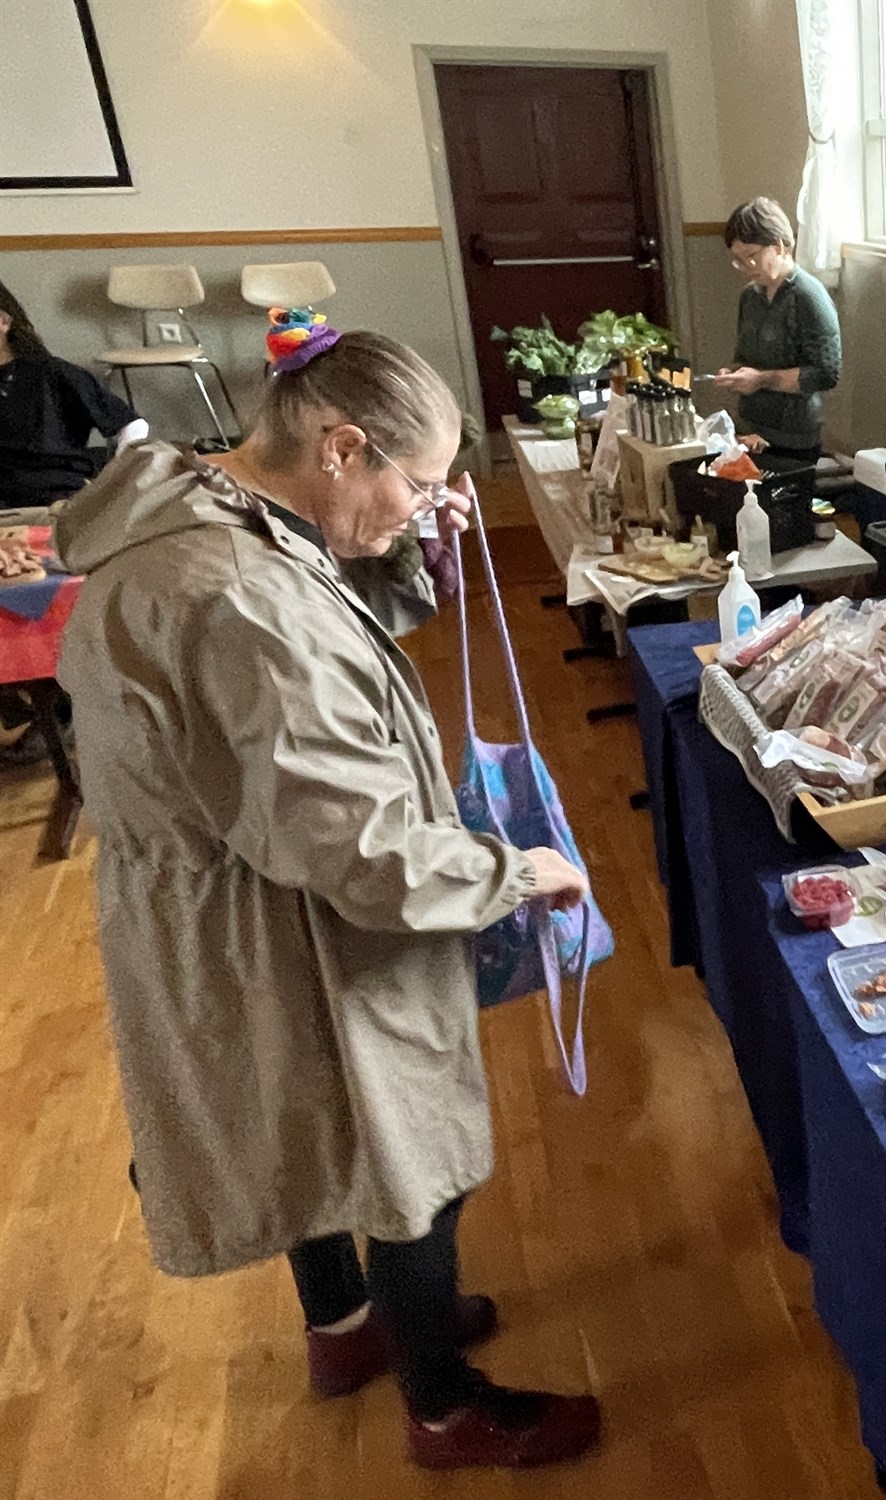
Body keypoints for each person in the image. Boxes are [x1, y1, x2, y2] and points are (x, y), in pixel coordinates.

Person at [55, 322, 603, 1471]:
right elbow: (361, 851)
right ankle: (443, 1407)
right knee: (405, 1152)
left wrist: (405, 547)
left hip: (225, 901)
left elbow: (326, 626)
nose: (426, 505)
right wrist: (515, 871)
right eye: (418, 484)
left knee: (301, 1126)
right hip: (285, 917)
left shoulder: (205, 505)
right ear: (343, 447)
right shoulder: (238, 597)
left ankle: (349, 1327)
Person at [710, 197, 841, 465]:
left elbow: (826, 374)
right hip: (750, 429)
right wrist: (734, 375)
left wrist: (762, 380)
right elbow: (744, 357)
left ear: (779, 246)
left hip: (794, 437)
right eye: (738, 260)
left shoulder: (808, 296)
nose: (745, 268)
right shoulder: (750, 296)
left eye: (751, 257)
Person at [0, 279, 146, 515]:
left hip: (52, 495)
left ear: (4, 322)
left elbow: (131, 424)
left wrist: (119, 480)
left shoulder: (53, 372)